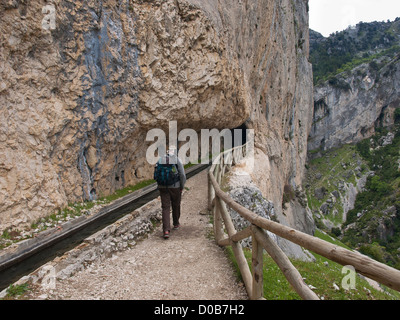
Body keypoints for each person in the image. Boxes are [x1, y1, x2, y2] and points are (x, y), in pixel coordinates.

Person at [154, 145, 186, 239]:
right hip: (175, 186)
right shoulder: (177, 160)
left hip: (162, 187)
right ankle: (176, 223)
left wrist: (160, 185)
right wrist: (182, 186)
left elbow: (156, 173)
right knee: (176, 204)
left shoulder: (160, 160)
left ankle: (166, 230)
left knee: (165, 207)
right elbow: (182, 175)